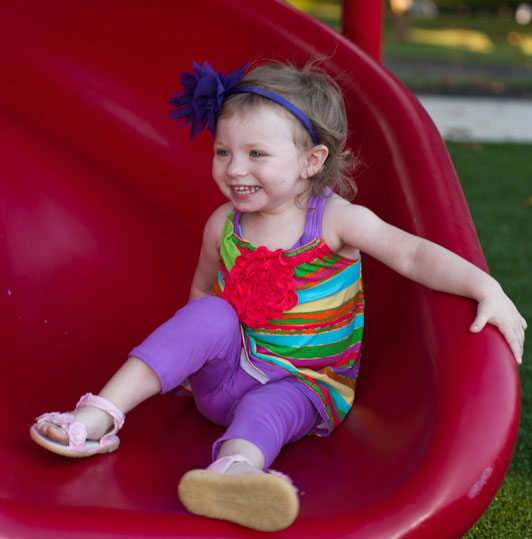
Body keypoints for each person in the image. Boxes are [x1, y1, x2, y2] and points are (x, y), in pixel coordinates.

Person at [30, 60, 527, 532]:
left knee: (272, 404)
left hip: (306, 383)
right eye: (223, 152)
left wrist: (487, 287)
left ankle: (236, 471)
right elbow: (200, 292)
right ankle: (97, 416)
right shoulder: (224, 224)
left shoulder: (335, 220)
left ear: (312, 161)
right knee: (211, 311)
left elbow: (414, 256)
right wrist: (188, 355)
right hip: (223, 377)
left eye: (256, 154)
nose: (233, 168)